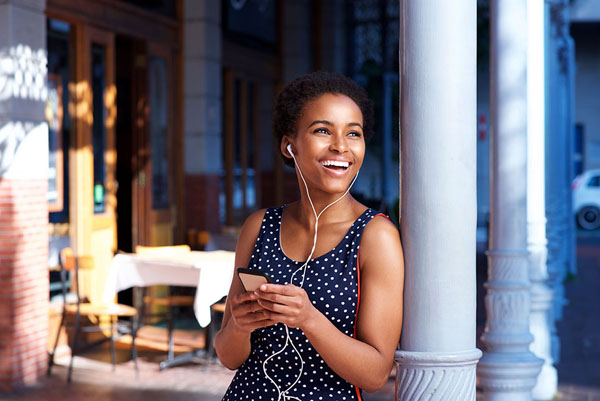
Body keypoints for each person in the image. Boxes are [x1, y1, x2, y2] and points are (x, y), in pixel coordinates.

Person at [214, 71, 404, 401]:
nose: (340, 146)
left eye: (353, 134)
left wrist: (309, 319)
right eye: (322, 130)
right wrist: (240, 326)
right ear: (290, 145)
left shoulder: (376, 236)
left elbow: (375, 374)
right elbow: (228, 356)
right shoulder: (259, 227)